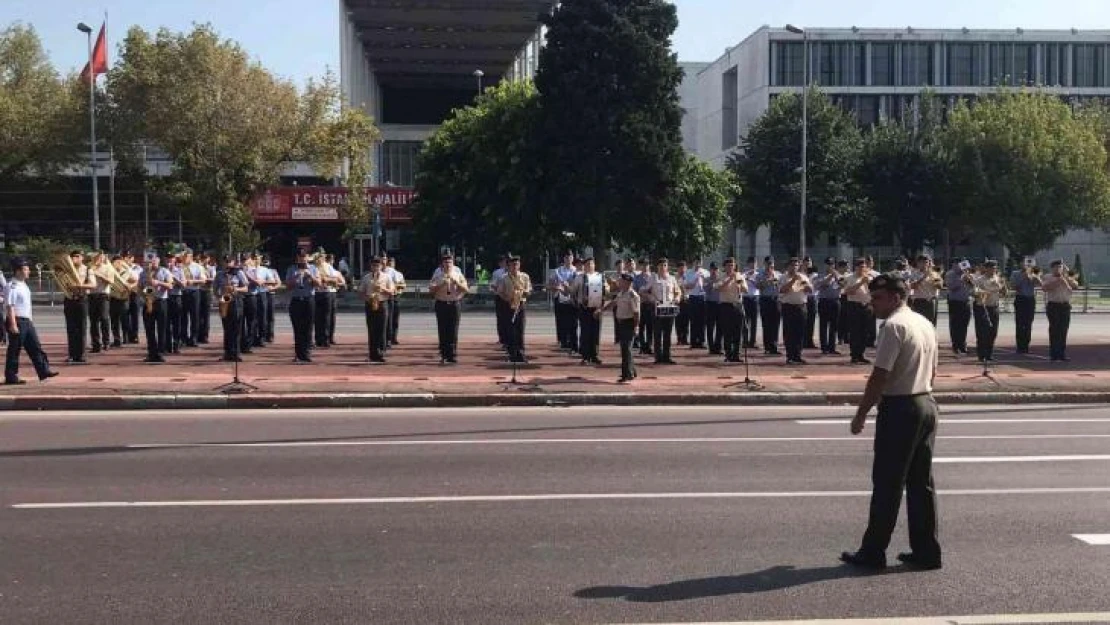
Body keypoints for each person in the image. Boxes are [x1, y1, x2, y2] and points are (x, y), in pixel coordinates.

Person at [841, 273, 941, 571]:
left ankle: (873, 552)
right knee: (921, 483)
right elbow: (934, 370)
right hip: (926, 402)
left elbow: (879, 376)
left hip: (901, 407)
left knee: (887, 482)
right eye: (872, 298)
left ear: (897, 297)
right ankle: (927, 551)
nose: (873, 304)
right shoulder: (923, 322)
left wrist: (860, 414)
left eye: (878, 298)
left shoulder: (894, 326)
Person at [4, 258, 58, 385]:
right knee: (14, 349)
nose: (28, 271)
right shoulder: (12, 285)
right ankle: (11, 376)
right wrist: (12, 324)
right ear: (18, 271)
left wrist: (30, 321)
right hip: (17, 320)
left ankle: (43, 371)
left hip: (27, 321)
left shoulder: (24, 285)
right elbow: (10, 306)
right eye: (26, 269)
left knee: (35, 347)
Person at [597, 273, 640, 383]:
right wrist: (602, 310)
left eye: (621, 281)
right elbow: (613, 303)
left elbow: (636, 313)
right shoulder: (622, 293)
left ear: (627, 282)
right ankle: (632, 371)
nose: (619, 282)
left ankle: (627, 374)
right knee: (625, 349)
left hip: (629, 323)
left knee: (626, 349)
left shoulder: (632, 295)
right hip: (621, 323)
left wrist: (636, 326)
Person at [430, 252, 468, 364]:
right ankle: (444, 354)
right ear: (442, 264)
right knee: (442, 330)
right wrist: (441, 284)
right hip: (441, 303)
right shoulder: (437, 275)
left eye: (450, 262)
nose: (448, 264)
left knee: (453, 330)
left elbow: (466, 289)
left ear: (453, 263)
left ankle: (452, 354)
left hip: (454, 303)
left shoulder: (458, 274)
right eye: (446, 262)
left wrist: (457, 283)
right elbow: (431, 290)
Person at [286, 250, 322, 363]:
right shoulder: (292, 269)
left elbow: (319, 284)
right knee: (297, 328)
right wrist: (296, 277)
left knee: (308, 327)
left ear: (308, 257)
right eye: (300, 257)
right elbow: (288, 286)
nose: (303, 259)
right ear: (297, 258)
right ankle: (298, 354)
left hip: (308, 300)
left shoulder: (313, 269)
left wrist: (310, 276)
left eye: (304, 257)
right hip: (296, 300)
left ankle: (306, 354)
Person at [967, 260, 1006, 364]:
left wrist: (1003, 286)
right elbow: (972, 292)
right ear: (986, 268)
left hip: (994, 306)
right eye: (991, 268)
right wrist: (985, 292)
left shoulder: (998, 279)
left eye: (995, 268)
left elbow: (1004, 293)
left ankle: (989, 354)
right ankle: (982, 355)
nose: (993, 270)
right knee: (982, 332)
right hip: (982, 307)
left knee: (993, 332)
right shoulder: (979, 279)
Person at [1041, 260, 1079, 362]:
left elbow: (1075, 285)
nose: (1059, 269)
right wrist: (1058, 280)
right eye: (1057, 267)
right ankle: (1054, 354)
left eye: (1060, 267)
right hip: (1053, 305)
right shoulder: (1048, 277)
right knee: (1054, 330)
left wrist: (1067, 279)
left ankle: (1062, 353)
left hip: (1065, 306)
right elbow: (1044, 288)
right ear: (1052, 268)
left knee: (1063, 330)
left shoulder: (1066, 276)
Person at [572, 257, 608, 366]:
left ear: (594, 265)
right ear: (584, 266)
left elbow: (606, 290)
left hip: (597, 308)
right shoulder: (580, 277)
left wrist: (607, 288)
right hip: (585, 308)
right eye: (587, 264)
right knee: (585, 333)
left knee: (596, 332)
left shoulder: (600, 277)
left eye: (591, 264)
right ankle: (585, 356)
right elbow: (573, 290)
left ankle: (594, 355)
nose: (590, 266)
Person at [778, 257, 814, 365]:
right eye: (792, 265)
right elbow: (782, 290)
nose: (794, 267)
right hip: (788, 307)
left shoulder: (802, 276)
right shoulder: (783, 277)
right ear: (788, 266)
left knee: (800, 332)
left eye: (796, 265)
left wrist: (801, 282)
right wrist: (793, 280)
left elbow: (810, 290)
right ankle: (790, 356)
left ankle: (797, 355)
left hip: (801, 306)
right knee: (789, 333)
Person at [497, 255, 532, 363]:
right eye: (512, 264)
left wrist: (524, 294)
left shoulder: (524, 277)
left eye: (517, 264)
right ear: (508, 266)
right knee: (510, 331)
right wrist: (508, 298)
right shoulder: (504, 278)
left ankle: (521, 354)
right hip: (508, 305)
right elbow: (500, 292)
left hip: (521, 305)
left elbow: (529, 290)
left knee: (520, 330)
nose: (515, 266)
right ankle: (512, 354)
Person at [358, 257, 393, 363]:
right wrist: (368, 299)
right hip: (370, 304)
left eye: (378, 266)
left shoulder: (387, 277)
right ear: (371, 266)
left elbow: (392, 291)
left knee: (381, 329)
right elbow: (360, 292)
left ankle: (380, 353)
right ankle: (372, 353)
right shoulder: (366, 278)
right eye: (374, 265)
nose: (376, 268)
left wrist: (382, 289)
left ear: (381, 266)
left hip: (382, 303)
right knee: (371, 329)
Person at [62, 250, 93, 364]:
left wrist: (79, 285)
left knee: (81, 328)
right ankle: (71, 354)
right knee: (70, 328)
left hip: (81, 299)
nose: (75, 258)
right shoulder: (67, 270)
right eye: (73, 256)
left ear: (82, 258)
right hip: (69, 299)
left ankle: (81, 355)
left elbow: (93, 284)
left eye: (77, 256)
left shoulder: (87, 269)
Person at [649, 258, 681, 365]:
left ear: (667, 267)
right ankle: (658, 357)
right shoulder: (653, 278)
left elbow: (678, 292)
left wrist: (677, 299)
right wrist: (653, 299)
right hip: (658, 308)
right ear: (657, 267)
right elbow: (643, 291)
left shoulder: (671, 278)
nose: (663, 267)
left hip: (669, 308)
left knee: (668, 334)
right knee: (657, 333)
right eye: (661, 265)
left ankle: (667, 356)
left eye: (665, 265)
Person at [713, 257, 746, 363]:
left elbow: (746, 289)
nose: (731, 267)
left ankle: (736, 354)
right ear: (725, 267)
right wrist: (730, 280)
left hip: (737, 305)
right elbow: (718, 288)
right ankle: (728, 354)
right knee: (727, 331)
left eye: (732, 265)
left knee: (738, 331)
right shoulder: (721, 277)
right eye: (728, 265)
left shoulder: (740, 276)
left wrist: (739, 284)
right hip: (725, 306)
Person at [142, 255, 172, 363]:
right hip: (149, 301)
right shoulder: (144, 272)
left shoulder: (164, 271)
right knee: (149, 329)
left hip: (160, 301)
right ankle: (151, 353)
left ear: (158, 261)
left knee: (161, 328)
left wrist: (158, 282)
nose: (152, 263)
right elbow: (140, 287)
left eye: (154, 261)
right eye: (150, 261)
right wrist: (144, 296)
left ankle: (160, 352)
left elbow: (170, 285)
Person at [843, 258, 873, 365]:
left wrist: (868, 282)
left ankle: (861, 354)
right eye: (860, 266)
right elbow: (847, 292)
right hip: (854, 306)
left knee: (865, 332)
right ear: (855, 267)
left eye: (864, 266)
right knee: (855, 331)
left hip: (866, 306)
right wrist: (861, 283)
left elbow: (873, 293)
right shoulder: (850, 278)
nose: (862, 269)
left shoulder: (869, 278)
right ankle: (854, 355)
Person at [549, 252, 579, 353]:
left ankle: (572, 343)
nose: (568, 259)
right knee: (561, 321)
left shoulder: (576, 270)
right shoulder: (557, 271)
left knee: (572, 322)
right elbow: (550, 284)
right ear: (564, 258)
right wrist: (555, 287)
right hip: (559, 297)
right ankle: (563, 341)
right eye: (566, 257)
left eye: (570, 257)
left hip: (572, 298)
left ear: (573, 258)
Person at [1010, 259, 1040, 354]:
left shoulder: (1034, 273)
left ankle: (1026, 345)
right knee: (1019, 324)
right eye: (1025, 263)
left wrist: (1033, 276)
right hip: (1020, 299)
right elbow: (1014, 286)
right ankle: (1020, 346)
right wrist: (1024, 276)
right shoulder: (1015, 273)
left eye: (1029, 264)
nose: (1027, 265)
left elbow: (1039, 284)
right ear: (1021, 264)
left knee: (1028, 324)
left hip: (1030, 300)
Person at [815, 257, 843, 355]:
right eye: (828, 264)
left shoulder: (838, 275)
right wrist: (830, 276)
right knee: (823, 325)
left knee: (834, 326)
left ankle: (832, 347)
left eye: (832, 264)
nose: (830, 266)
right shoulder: (820, 275)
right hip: (824, 301)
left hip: (835, 301)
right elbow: (820, 285)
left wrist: (836, 276)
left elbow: (843, 285)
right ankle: (824, 347)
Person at [87, 252, 113, 353]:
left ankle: (106, 342)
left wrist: (98, 274)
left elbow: (110, 281)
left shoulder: (108, 268)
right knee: (93, 321)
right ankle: (96, 344)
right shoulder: (89, 268)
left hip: (103, 295)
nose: (98, 259)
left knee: (104, 318)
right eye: (96, 258)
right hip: (92, 295)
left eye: (100, 257)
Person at [945, 259, 972, 355]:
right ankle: (956, 345)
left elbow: (972, 287)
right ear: (954, 265)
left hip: (966, 302)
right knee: (955, 325)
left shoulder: (967, 274)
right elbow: (951, 287)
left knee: (964, 324)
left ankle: (963, 345)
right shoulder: (950, 274)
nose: (962, 267)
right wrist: (961, 279)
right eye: (959, 264)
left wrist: (969, 279)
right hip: (955, 302)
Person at [756, 256, 782, 355]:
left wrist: (776, 282)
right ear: (765, 264)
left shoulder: (778, 274)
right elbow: (758, 286)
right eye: (768, 264)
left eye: (771, 264)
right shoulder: (760, 274)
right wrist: (768, 280)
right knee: (766, 324)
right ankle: (767, 347)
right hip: (765, 299)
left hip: (775, 300)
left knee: (775, 324)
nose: (769, 266)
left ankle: (774, 347)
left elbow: (781, 287)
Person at [683, 258, 710, 349]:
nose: (698, 264)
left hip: (702, 297)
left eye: (699, 262)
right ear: (693, 263)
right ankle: (693, 341)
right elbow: (686, 286)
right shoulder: (688, 272)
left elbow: (709, 284)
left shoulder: (705, 272)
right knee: (693, 320)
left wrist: (704, 280)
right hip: (693, 297)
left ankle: (701, 341)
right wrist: (695, 281)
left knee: (702, 321)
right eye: (696, 262)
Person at [908, 255, 942, 327]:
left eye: (926, 262)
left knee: (931, 324)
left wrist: (935, 280)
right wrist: (923, 277)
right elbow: (912, 286)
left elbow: (939, 287)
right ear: (918, 263)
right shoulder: (914, 274)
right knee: (918, 324)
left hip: (930, 301)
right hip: (918, 301)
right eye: (921, 262)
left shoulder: (934, 274)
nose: (924, 264)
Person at [181, 250, 203, 347]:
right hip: (183, 292)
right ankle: (184, 338)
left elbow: (203, 280)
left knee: (195, 316)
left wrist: (192, 281)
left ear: (191, 257)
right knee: (183, 316)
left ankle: (194, 338)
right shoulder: (180, 267)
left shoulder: (197, 267)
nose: (185, 258)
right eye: (184, 256)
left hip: (194, 292)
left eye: (187, 256)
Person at [634, 260, 654, 356]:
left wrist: (647, 293)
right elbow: (634, 291)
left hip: (651, 304)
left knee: (650, 327)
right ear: (640, 267)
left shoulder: (653, 277)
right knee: (641, 327)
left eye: (647, 265)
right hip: (641, 304)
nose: (645, 267)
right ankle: (642, 346)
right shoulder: (637, 278)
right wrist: (641, 293)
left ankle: (649, 346)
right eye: (643, 265)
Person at [166, 254, 185, 354]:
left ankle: (176, 344)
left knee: (176, 322)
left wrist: (174, 278)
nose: (169, 261)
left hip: (176, 297)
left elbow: (183, 284)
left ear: (174, 261)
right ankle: (167, 345)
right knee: (166, 322)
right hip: (165, 298)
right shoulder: (162, 270)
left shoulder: (179, 270)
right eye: (168, 259)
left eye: (171, 259)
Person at [491, 256, 509, 350]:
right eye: (505, 262)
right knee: (501, 319)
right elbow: (493, 285)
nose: (506, 264)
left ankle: (510, 340)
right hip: (500, 297)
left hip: (512, 298)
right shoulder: (497, 273)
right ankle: (502, 339)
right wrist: (500, 292)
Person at [742, 257, 759, 349]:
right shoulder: (743, 274)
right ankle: (745, 341)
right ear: (748, 264)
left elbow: (758, 286)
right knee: (745, 321)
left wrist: (751, 280)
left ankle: (753, 342)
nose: (753, 265)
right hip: (746, 299)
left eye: (754, 263)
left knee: (754, 322)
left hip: (755, 298)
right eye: (751, 263)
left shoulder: (758, 275)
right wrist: (746, 278)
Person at [704, 262, 721, 355]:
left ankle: (718, 347)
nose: (714, 271)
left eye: (716, 269)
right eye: (712, 269)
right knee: (710, 327)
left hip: (719, 304)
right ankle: (711, 348)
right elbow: (707, 290)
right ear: (710, 270)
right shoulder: (706, 279)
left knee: (720, 326)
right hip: (710, 304)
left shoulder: (721, 279)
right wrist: (712, 282)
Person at [802, 256, 819, 349]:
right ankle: (803, 340)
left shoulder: (815, 275)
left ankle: (809, 341)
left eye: (809, 262)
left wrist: (808, 285)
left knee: (811, 321)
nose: (807, 264)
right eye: (806, 262)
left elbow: (814, 288)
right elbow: (801, 287)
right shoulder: (800, 274)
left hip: (812, 298)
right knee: (803, 320)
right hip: (803, 299)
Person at [385, 256, 402, 347]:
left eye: (392, 262)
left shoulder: (396, 273)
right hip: (385, 297)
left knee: (394, 319)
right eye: (389, 261)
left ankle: (393, 337)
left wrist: (396, 287)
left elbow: (401, 284)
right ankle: (387, 338)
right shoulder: (384, 272)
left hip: (395, 296)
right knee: (387, 320)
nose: (390, 263)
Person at [674, 260, 690, 345]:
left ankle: (685, 338)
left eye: (684, 267)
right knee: (678, 320)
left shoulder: (688, 276)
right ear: (677, 269)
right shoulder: (675, 277)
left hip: (687, 300)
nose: (682, 269)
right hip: (678, 301)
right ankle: (679, 337)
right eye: (680, 268)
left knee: (686, 320)